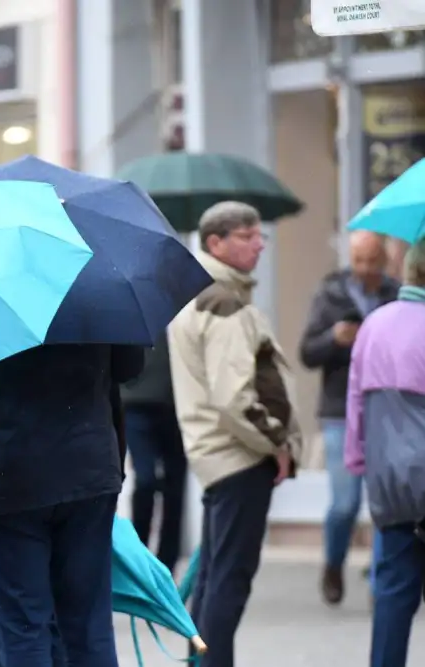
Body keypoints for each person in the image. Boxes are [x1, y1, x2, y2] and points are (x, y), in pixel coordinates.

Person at [168, 201, 302, 667]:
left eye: (258, 234)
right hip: (238, 455)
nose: (259, 243)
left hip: (221, 455)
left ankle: (200, 661)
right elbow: (234, 397)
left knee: (213, 578)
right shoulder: (222, 301)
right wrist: (278, 444)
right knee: (228, 579)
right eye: (246, 235)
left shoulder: (210, 293)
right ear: (215, 243)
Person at [0, 341, 142, 667]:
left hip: (8, 470)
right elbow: (129, 367)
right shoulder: (94, 293)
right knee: (89, 625)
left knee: (24, 627)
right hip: (87, 464)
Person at [299, 230, 398, 605]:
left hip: (386, 409)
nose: (367, 268)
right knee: (345, 503)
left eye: (374, 260)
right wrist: (333, 339)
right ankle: (334, 562)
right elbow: (307, 352)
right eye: (360, 260)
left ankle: (380, 581)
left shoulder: (395, 294)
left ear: (385, 261)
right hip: (340, 410)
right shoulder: (331, 294)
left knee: (383, 503)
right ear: (350, 260)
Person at [345, 239, 425, 667]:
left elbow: (355, 401)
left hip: (389, 482)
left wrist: (358, 460)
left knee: (393, 592)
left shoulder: (375, 324)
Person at [121, 334, 186, 572]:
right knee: (145, 479)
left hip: (176, 404)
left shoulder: (182, 306)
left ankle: (167, 562)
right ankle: (138, 556)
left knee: (175, 485)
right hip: (136, 403)